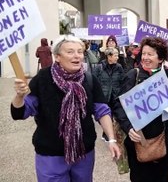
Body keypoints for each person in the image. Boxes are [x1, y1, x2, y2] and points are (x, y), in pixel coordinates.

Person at [11, 35, 120, 181]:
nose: (77, 56)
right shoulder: (43, 79)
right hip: (51, 155)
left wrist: (111, 139)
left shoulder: (89, 79)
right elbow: (21, 112)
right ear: (57, 56)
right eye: (70, 52)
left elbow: (102, 111)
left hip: (83, 153)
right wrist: (19, 96)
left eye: (80, 51)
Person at [113, 37, 168, 182]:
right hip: (139, 141)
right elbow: (119, 106)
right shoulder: (133, 76)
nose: (145, 57)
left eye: (150, 54)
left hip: (163, 140)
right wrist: (128, 128)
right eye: (143, 53)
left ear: (161, 57)